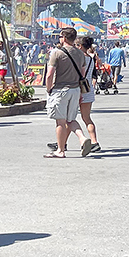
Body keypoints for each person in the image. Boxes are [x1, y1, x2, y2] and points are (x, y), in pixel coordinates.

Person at [44, 27, 93, 159]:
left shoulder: (57, 53)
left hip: (61, 90)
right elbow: (82, 76)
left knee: (60, 121)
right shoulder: (80, 54)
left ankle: (60, 150)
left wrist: (49, 89)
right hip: (75, 90)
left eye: (60, 36)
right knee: (70, 119)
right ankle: (82, 139)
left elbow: (49, 75)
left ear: (64, 38)